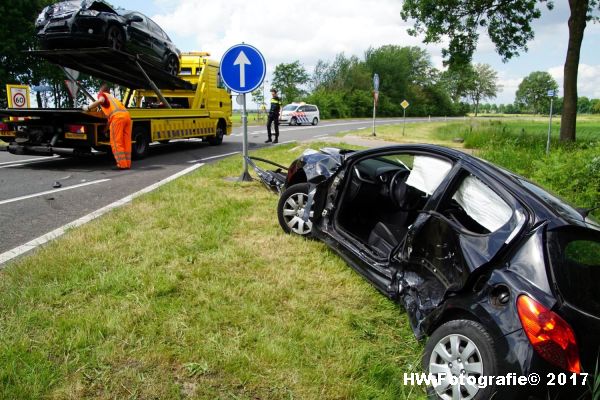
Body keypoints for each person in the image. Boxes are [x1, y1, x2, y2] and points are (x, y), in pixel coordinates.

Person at [83, 82, 132, 169]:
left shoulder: (102, 95)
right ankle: (127, 163)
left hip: (117, 119)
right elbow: (110, 120)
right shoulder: (113, 98)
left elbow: (101, 101)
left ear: (101, 90)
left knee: (116, 142)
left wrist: (88, 108)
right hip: (127, 117)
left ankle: (122, 165)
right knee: (126, 142)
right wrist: (105, 130)